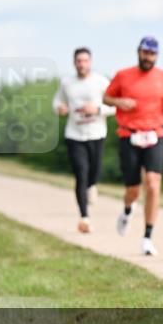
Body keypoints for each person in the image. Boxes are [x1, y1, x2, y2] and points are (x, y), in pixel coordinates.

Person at [103, 36, 163, 255]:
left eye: (152, 54)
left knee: (153, 182)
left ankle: (148, 236)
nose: (148, 57)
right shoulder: (123, 75)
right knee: (133, 189)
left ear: (156, 56)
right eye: (145, 52)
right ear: (138, 52)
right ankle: (128, 210)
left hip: (155, 135)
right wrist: (120, 102)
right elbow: (106, 98)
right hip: (129, 135)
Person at [53, 47, 115, 233]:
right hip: (74, 134)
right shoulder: (67, 83)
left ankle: (93, 185)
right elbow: (56, 102)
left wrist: (96, 110)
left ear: (90, 62)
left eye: (85, 61)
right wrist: (59, 108)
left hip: (97, 133)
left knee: (94, 171)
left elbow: (115, 107)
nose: (82, 64)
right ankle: (84, 217)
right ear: (74, 63)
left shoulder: (101, 82)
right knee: (81, 173)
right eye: (79, 61)